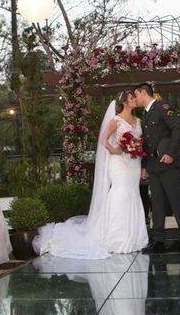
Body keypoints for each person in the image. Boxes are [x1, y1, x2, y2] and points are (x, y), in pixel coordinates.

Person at [34, 91, 149, 258]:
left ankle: (135, 238)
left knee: (133, 193)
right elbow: (103, 139)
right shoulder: (116, 120)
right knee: (120, 193)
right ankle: (116, 237)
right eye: (131, 98)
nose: (134, 100)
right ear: (124, 102)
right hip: (119, 163)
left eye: (134, 97)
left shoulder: (138, 121)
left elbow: (140, 141)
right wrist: (114, 149)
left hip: (134, 162)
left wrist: (136, 148)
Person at [134, 83, 180, 253]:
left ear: (143, 93)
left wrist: (171, 153)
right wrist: (144, 166)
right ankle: (158, 241)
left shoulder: (162, 107)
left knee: (176, 201)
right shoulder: (144, 116)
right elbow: (146, 143)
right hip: (153, 166)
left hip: (168, 163)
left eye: (136, 95)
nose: (135, 98)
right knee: (157, 204)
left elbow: (178, 127)